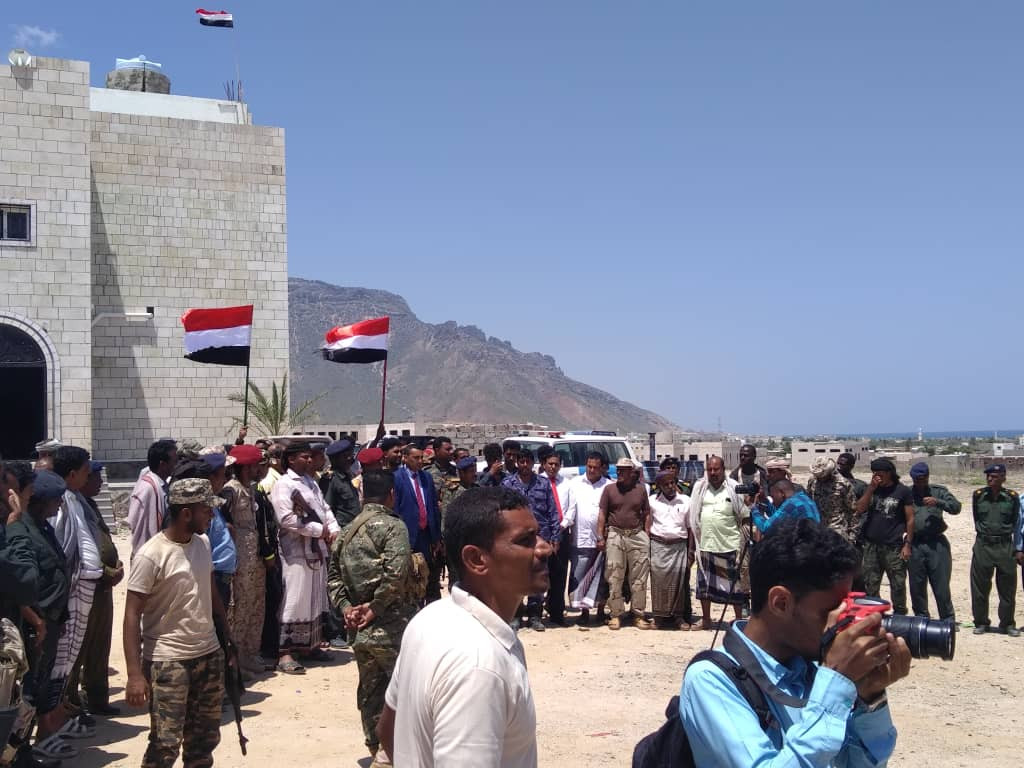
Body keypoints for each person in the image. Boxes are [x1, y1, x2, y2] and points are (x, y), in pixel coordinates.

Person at [680, 517, 910, 767]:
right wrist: (834, 681)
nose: (841, 626)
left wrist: (870, 698)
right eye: (830, 613)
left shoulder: (811, 671)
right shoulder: (710, 681)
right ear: (781, 603)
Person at [378, 487, 549, 767]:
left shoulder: (430, 618)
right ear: (476, 559)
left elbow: (388, 731)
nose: (544, 548)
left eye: (538, 536)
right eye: (525, 541)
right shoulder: (480, 665)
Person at [123, 478, 235, 768]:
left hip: (208, 655)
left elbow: (209, 589)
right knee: (165, 743)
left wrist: (226, 637)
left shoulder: (203, 543)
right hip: (168, 662)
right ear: (186, 513)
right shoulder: (151, 555)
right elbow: (132, 615)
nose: (212, 516)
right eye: (206, 510)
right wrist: (134, 674)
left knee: (204, 741)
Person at [327, 471, 417, 765]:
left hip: (359, 630)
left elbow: (333, 578)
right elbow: (396, 574)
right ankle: (395, 752)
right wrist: (375, 608)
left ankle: (377, 749)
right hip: (391, 629)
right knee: (404, 692)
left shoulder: (347, 531)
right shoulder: (393, 527)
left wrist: (346, 608)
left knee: (370, 691)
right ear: (391, 494)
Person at [44, 446, 101, 742]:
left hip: (83, 589)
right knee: (60, 660)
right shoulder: (59, 502)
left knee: (68, 658)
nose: (89, 477)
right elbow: (61, 548)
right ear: (71, 474)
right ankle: (49, 725)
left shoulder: (75, 498)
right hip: (71, 591)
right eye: (85, 472)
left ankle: (57, 715)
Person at [15, 471, 71, 763]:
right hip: (35, 626)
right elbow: (21, 584)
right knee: (28, 690)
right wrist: (38, 622)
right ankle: (19, 750)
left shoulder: (43, 527)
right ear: (40, 501)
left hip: (51, 621)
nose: (60, 504)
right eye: (56, 499)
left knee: (41, 686)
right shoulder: (23, 530)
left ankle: (32, 746)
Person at [271, 442, 340, 673]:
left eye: (311, 457)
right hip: (295, 552)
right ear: (291, 459)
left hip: (316, 549)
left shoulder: (311, 482)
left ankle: (311, 646)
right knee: (295, 600)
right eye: (304, 457)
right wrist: (319, 530)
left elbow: (325, 508)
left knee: (315, 598)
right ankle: (285, 653)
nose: (310, 460)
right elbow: (286, 519)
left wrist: (333, 528)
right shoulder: (284, 484)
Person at [67, 461, 123, 717]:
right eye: (95, 477)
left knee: (100, 645)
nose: (100, 482)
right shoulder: (72, 506)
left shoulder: (89, 504)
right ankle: (70, 704)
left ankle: (97, 698)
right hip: (88, 585)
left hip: (103, 588)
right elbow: (80, 548)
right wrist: (106, 571)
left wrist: (115, 566)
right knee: (79, 647)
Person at [503, 449, 560, 631]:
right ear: (517, 462)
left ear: (533, 463)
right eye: (522, 461)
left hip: (540, 536)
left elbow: (552, 510)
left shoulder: (543, 483)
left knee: (537, 575)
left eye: (528, 461)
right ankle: (516, 614)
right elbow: (502, 511)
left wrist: (555, 536)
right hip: (516, 538)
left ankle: (535, 615)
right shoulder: (508, 484)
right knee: (516, 575)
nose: (525, 465)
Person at [690, 456, 749, 629]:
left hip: (729, 544)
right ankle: (706, 619)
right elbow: (694, 516)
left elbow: (744, 516)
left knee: (734, 588)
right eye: (710, 469)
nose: (713, 473)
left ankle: (738, 621)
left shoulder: (733, 488)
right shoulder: (700, 488)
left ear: (723, 470)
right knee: (704, 586)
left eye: (716, 469)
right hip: (706, 544)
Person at [224, 444, 267, 676]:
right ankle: (236, 659)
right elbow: (224, 522)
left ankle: (251, 653)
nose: (259, 470)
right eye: (255, 466)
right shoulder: (231, 491)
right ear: (245, 467)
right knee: (239, 609)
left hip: (254, 557)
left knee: (255, 606)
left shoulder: (250, 489)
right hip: (240, 559)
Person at [597, 458, 653, 630]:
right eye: (618, 469)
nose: (619, 472)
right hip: (616, 534)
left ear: (631, 472)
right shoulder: (609, 489)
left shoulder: (641, 490)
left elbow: (646, 512)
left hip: (636, 534)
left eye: (623, 469)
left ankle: (638, 614)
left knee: (639, 577)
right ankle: (616, 614)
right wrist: (600, 536)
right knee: (614, 574)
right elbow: (602, 513)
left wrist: (646, 534)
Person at [856, 459, 914, 616]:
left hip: (893, 545)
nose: (877, 477)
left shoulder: (902, 491)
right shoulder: (872, 489)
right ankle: (875, 614)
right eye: (874, 474)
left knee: (898, 583)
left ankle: (900, 614)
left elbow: (910, 519)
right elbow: (860, 509)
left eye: (880, 474)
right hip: (871, 545)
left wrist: (907, 544)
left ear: (889, 473)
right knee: (870, 583)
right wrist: (870, 489)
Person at [969, 463, 1021, 636]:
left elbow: (1015, 521)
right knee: (980, 588)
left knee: (1007, 588)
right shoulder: (978, 495)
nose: (990, 479)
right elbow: (976, 518)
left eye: (994, 476)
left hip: (1004, 545)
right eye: (988, 476)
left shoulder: (1011, 497)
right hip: (983, 545)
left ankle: (1007, 624)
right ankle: (981, 622)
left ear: (1003, 478)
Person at [906, 462, 961, 624]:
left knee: (941, 584)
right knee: (916, 585)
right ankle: (921, 618)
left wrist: (938, 502)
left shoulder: (938, 491)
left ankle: (947, 619)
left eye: (923, 479)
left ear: (928, 477)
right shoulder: (907, 493)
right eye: (917, 480)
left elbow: (956, 508)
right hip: (915, 543)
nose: (920, 482)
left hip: (936, 544)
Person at [394, 446, 442, 603]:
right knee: (409, 577)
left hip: (425, 535)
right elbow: (395, 508)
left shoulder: (426, 477)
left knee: (425, 576)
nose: (420, 461)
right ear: (405, 458)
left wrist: (436, 536)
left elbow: (433, 506)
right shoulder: (397, 478)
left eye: (422, 457)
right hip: (407, 535)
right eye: (416, 458)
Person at [648, 470, 693, 629]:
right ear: (659, 486)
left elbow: (690, 528)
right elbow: (648, 525)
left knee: (679, 583)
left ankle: (678, 617)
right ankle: (659, 618)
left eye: (672, 482)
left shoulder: (686, 501)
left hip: (679, 546)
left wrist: (691, 551)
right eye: (666, 484)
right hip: (658, 546)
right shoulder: (652, 501)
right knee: (658, 582)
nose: (670, 486)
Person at [536, 447, 571, 626]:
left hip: (561, 534)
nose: (553, 467)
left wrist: (560, 527)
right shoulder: (537, 483)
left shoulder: (566, 484)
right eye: (550, 464)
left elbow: (571, 508)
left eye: (556, 464)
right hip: (541, 536)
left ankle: (557, 612)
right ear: (543, 464)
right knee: (540, 574)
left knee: (559, 574)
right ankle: (535, 613)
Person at [127, 440, 178, 559]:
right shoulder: (147, 489)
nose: (176, 465)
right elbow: (139, 527)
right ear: (162, 464)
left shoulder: (162, 485)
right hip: (148, 556)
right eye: (174, 462)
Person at [806, 457, 859, 545]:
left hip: (837, 530)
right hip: (817, 528)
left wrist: (852, 535)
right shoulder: (813, 481)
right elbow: (809, 502)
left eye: (822, 476)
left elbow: (853, 510)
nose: (820, 478)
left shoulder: (842, 484)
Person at [751, 480, 821, 534]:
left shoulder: (791, 504)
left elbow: (766, 529)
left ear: (781, 493)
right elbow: (779, 517)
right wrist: (765, 501)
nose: (773, 501)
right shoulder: (803, 498)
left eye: (773, 496)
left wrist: (753, 508)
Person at [322, 440, 361, 528]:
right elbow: (327, 508)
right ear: (334, 460)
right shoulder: (331, 480)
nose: (349, 458)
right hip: (341, 529)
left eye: (350, 455)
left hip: (353, 527)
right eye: (345, 456)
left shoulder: (347, 476)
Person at [442, 456, 480, 530]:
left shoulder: (477, 488)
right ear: (462, 473)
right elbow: (445, 515)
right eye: (471, 471)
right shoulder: (453, 491)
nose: (475, 474)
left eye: (475, 471)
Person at [426, 437, 459, 511]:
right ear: (437, 450)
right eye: (447, 449)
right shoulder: (427, 472)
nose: (451, 452)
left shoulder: (455, 470)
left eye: (451, 449)